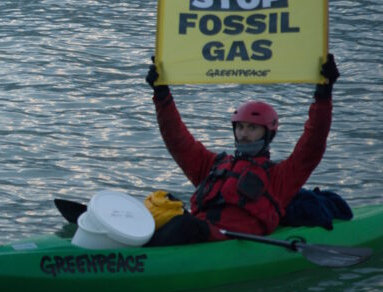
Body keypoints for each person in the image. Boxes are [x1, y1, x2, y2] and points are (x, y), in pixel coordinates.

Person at [144, 53, 340, 246]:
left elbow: (312, 144)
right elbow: (177, 140)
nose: (243, 134)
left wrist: (324, 94)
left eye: (252, 128)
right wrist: (162, 94)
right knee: (159, 204)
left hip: (224, 239)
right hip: (200, 230)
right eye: (240, 127)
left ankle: (142, 260)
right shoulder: (214, 165)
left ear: (268, 134)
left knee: (184, 225)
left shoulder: (279, 178)